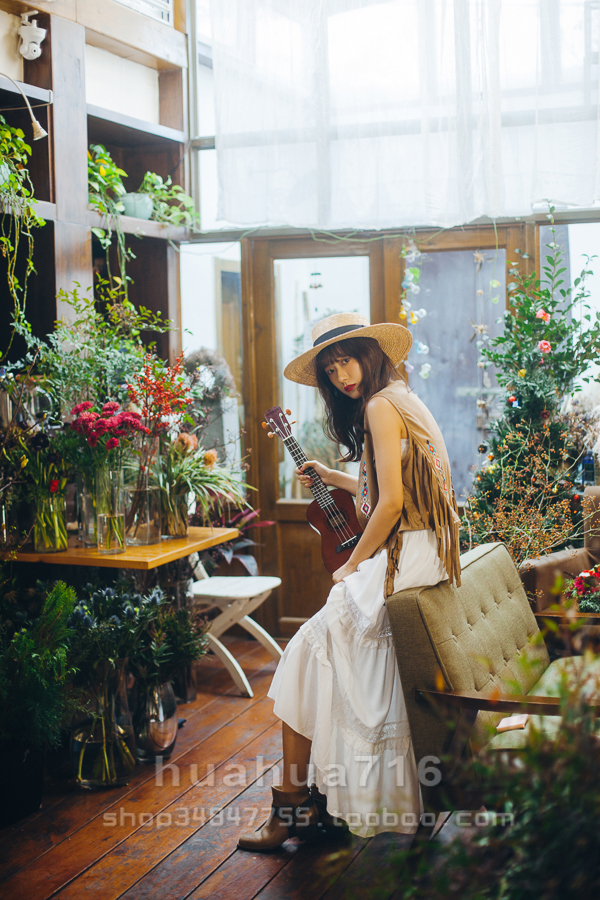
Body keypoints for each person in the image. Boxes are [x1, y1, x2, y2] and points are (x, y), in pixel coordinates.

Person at [237, 312, 461, 851]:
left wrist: (350, 565)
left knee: (303, 653)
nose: (342, 376)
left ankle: (295, 804)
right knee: (320, 659)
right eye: (331, 369)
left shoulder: (380, 407)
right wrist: (332, 474)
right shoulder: (402, 398)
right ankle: (308, 798)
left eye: (348, 360)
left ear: (372, 353)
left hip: (401, 554)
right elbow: (387, 478)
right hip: (428, 552)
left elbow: (388, 505)